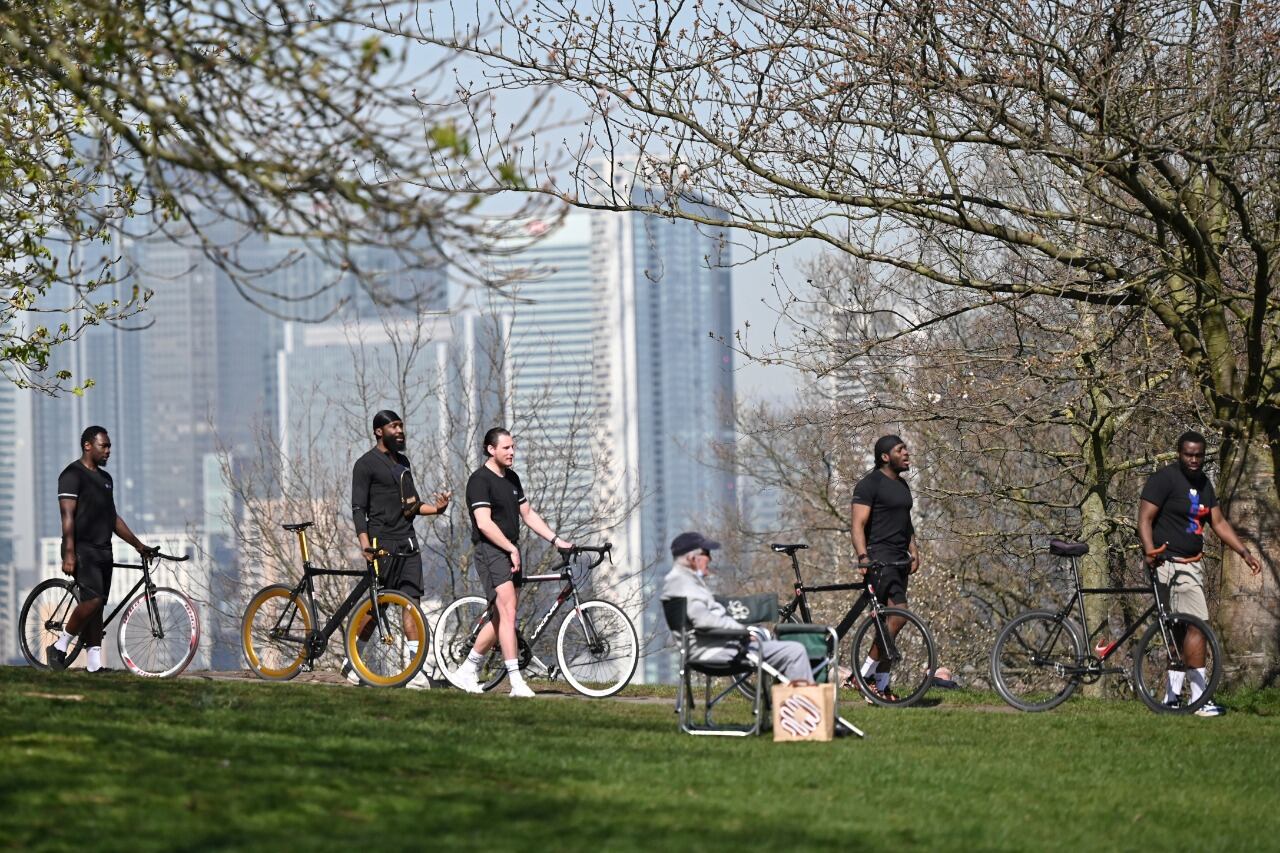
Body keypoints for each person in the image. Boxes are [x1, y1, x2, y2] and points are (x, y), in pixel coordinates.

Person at [1138, 430, 1263, 717]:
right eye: (1188, 454)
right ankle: (1199, 699)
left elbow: (1217, 522)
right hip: (1168, 563)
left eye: (1199, 455)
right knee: (1195, 625)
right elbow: (1144, 518)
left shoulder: (1205, 484)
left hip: (1192, 563)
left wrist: (1243, 552)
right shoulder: (1164, 479)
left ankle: (1171, 699)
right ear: (1179, 453)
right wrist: (1149, 550)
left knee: (1184, 629)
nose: (1194, 460)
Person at [452, 428, 572, 697]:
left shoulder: (512, 478)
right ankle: (516, 682)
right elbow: (484, 523)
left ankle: (467, 670)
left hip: (510, 551)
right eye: (506, 447)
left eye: (513, 447)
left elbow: (527, 513)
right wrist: (509, 548)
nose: (512, 452)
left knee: (501, 617)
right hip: (491, 551)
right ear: (490, 449)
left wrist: (556, 540)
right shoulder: (479, 481)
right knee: (507, 614)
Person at [346, 410, 451, 689]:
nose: (400, 431)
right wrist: (365, 545)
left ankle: (414, 672)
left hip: (408, 543)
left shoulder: (403, 462)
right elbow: (358, 509)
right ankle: (351, 661)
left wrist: (437, 509)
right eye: (394, 427)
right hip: (382, 544)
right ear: (379, 431)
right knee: (375, 608)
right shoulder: (365, 464)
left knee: (411, 605)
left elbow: (412, 506)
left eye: (401, 426)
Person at [48, 426, 152, 673]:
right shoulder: (72, 475)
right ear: (87, 445)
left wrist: (139, 545)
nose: (109, 451)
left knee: (98, 605)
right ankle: (60, 645)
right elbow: (67, 516)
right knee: (93, 601)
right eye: (103, 446)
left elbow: (113, 518)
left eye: (109, 446)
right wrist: (69, 552)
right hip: (81, 549)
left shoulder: (106, 479)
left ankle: (94, 665)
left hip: (104, 550)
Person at [660, 531, 814, 683]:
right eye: (706, 553)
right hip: (717, 651)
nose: (710, 558)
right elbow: (705, 621)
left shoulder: (679, 583)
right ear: (692, 558)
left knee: (785, 649)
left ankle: (796, 702)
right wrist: (743, 632)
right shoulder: (683, 585)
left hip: (710, 649)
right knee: (796, 651)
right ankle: (805, 705)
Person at [849, 434, 921, 701]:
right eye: (900, 450)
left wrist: (914, 549)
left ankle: (881, 686)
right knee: (898, 616)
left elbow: (906, 521)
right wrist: (863, 556)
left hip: (900, 559)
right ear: (885, 456)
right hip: (879, 558)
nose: (906, 453)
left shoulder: (903, 486)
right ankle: (862, 675)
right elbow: (857, 524)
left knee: (889, 624)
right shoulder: (870, 484)